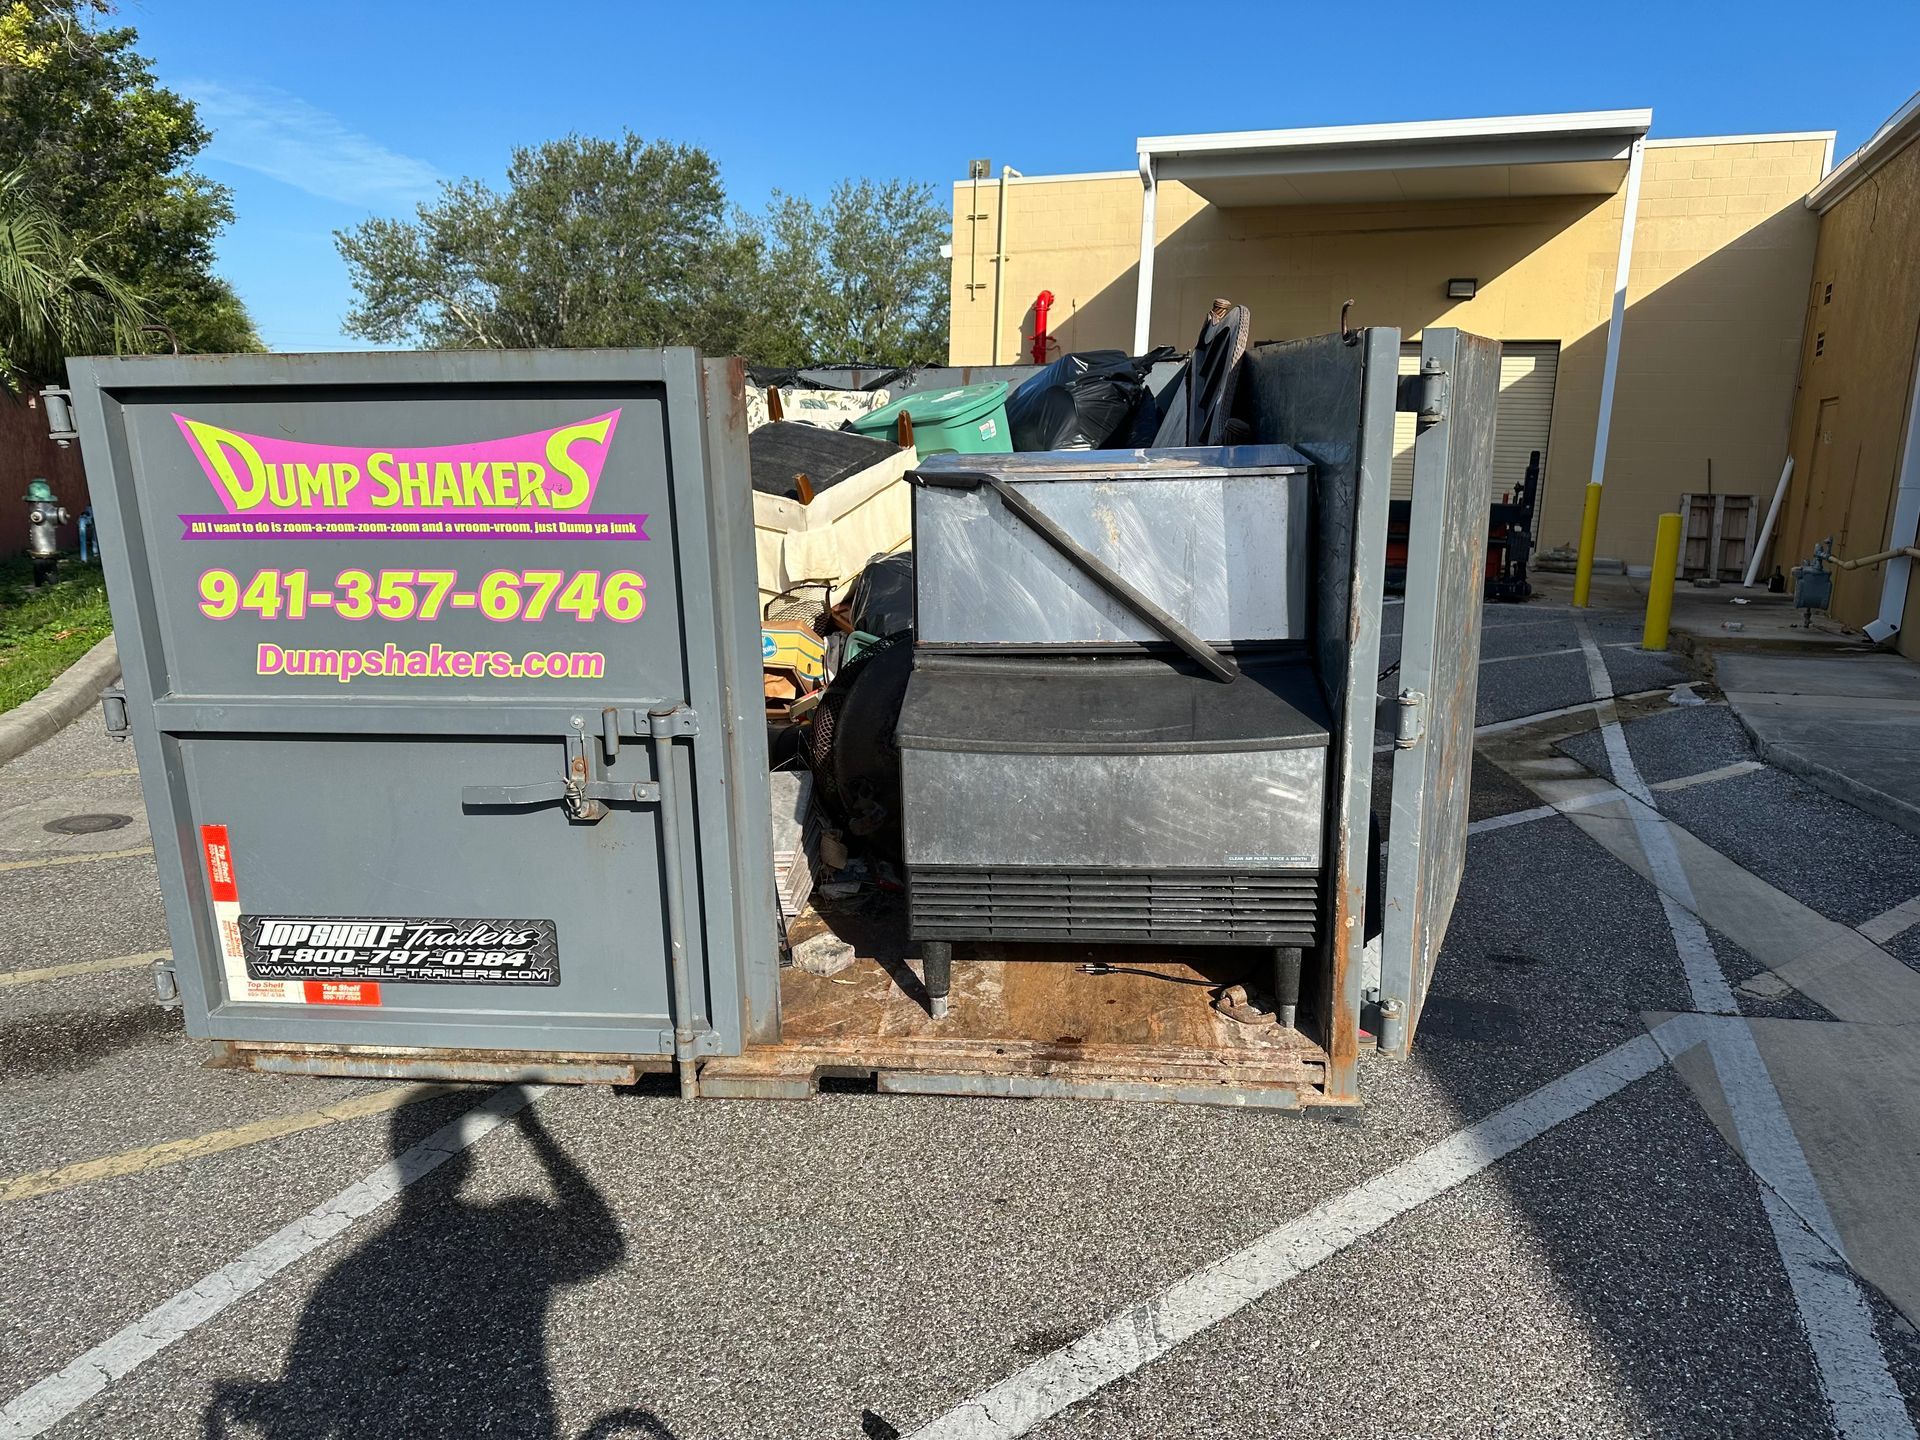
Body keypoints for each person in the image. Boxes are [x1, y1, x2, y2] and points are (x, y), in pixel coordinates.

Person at [205, 1088, 625, 1439]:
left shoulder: (346, 1274)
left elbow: (309, 1396)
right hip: (514, 1413)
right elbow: (602, 1247)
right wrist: (537, 1137)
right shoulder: (510, 1225)